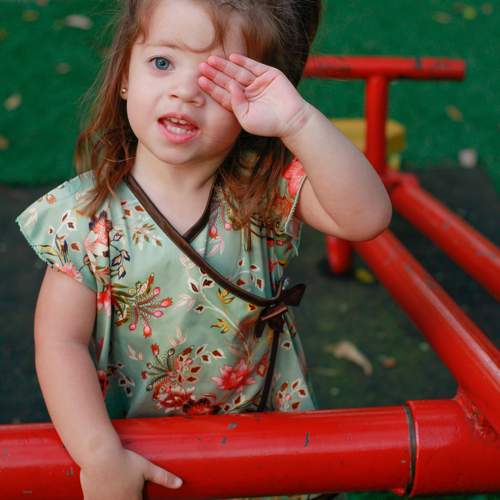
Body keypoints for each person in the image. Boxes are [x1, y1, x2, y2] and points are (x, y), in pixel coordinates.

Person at [16, 0, 392, 498]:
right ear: (125, 74)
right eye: (162, 62)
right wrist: (100, 453)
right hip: (143, 446)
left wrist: (297, 121)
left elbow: (367, 217)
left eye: (218, 80)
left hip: (264, 443)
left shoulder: (263, 190)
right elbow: (59, 343)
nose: (186, 91)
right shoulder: (84, 218)